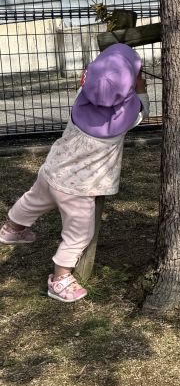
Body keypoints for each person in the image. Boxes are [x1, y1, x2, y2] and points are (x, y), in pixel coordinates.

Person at [0, 43, 148, 303]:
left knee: (32, 201)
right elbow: (141, 111)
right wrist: (141, 90)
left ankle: (12, 228)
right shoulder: (125, 118)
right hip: (79, 188)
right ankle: (60, 278)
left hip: (53, 170)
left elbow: (96, 83)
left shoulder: (82, 98)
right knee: (78, 233)